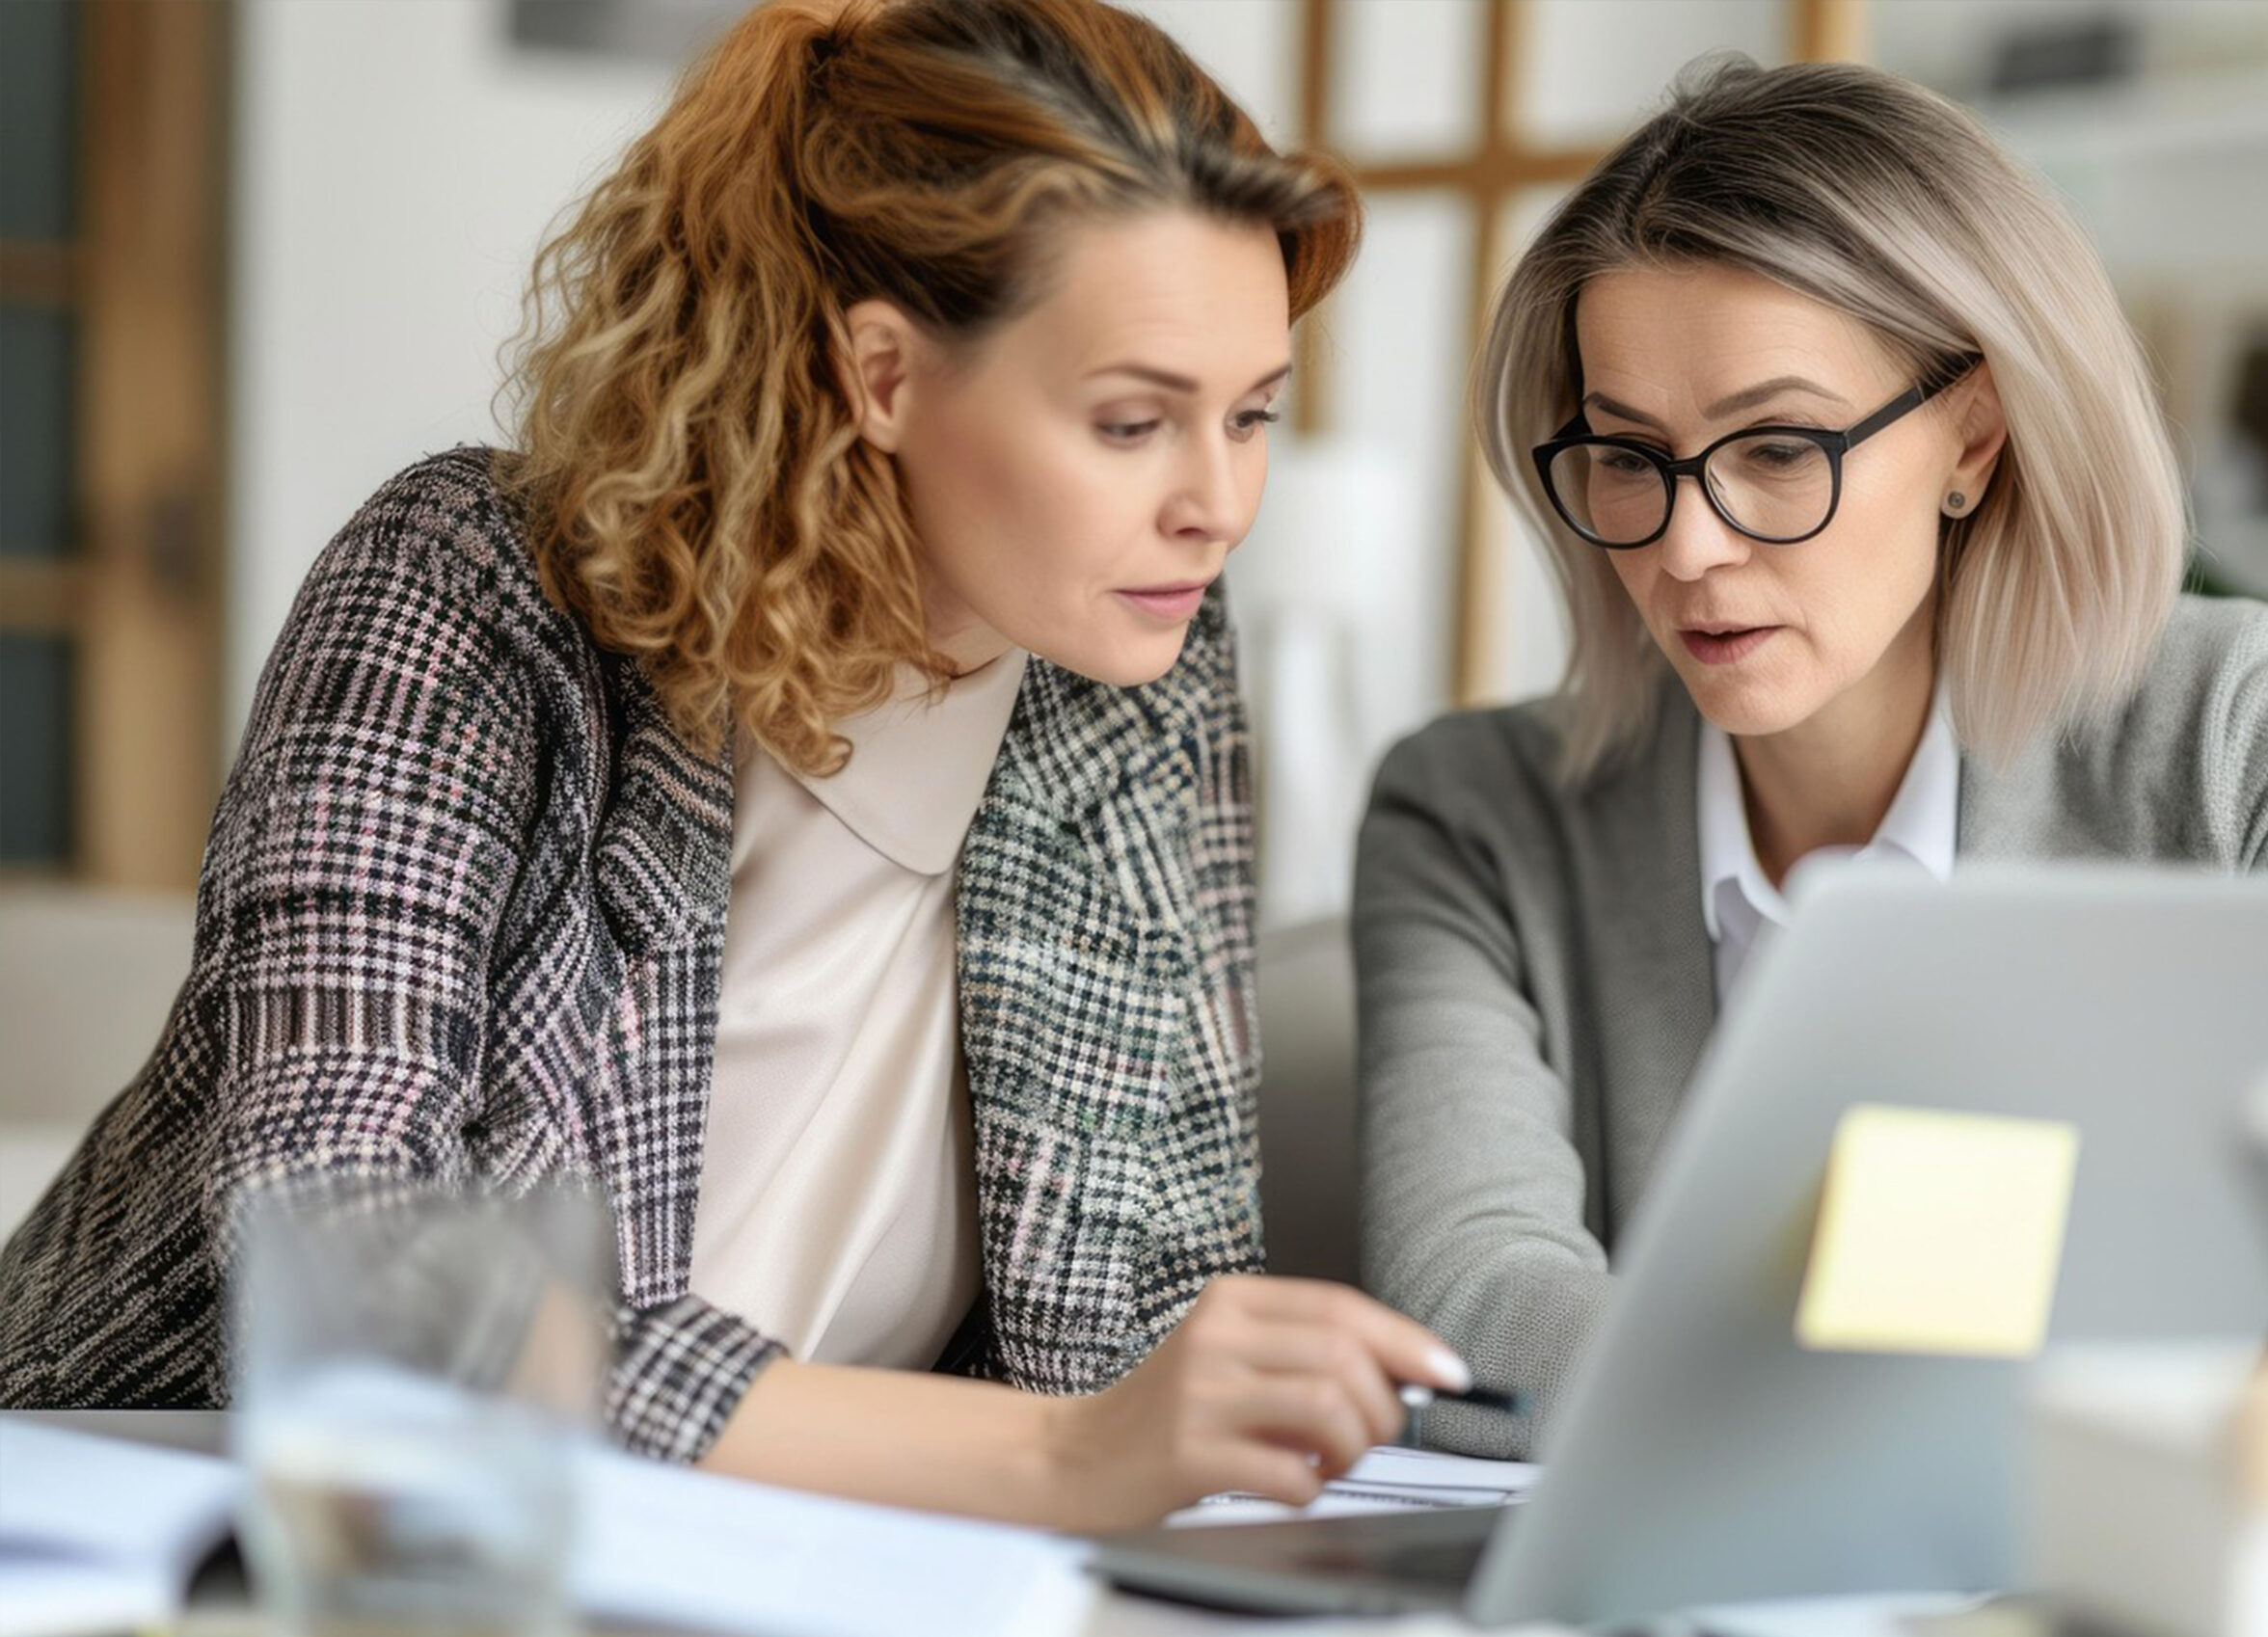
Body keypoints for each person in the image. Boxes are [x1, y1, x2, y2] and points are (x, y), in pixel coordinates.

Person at [0, 0, 1472, 1530]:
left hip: (806, 1566)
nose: (1219, 503)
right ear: (883, 377)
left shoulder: (1139, 670)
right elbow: (355, 1258)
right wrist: (1061, 1460)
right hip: (201, 1541)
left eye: (1252, 417)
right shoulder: (471, 597)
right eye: (1131, 422)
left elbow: (1161, 1282)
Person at [1353, 54, 2268, 1460]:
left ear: (1972, 440)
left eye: (1776, 449)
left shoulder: (2228, 726)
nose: (1690, 548)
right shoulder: (1472, 813)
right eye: (1630, 458)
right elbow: (1472, 1298)